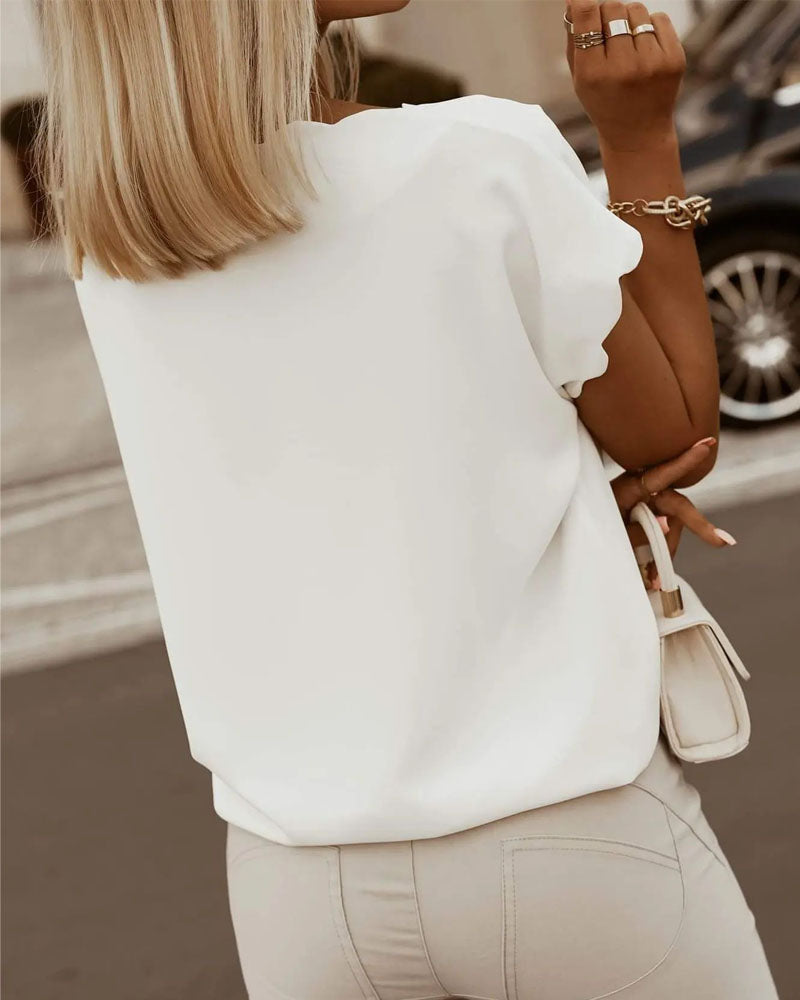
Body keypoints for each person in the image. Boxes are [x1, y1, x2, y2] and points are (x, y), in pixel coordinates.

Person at [35, 0, 777, 996]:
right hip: (570, 839)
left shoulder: (110, 231)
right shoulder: (473, 157)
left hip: (299, 887)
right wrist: (639, 139)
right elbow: (680, 430)